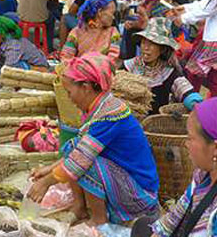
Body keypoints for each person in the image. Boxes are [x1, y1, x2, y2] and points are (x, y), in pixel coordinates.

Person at [27, 53, 160, 226]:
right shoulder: (98, 108)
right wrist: (49, 169)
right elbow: (78, 149)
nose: (69, 97)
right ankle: (79, 207)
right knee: (72, 147)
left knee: (84, 161)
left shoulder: (110, 115)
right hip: (124, 180)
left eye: (69, 92)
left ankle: (99, 219)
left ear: (86, 87)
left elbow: (80, 159)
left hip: (140, 195)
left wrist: (46, 183)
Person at [112, 97, 217, 237]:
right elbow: (171, 221)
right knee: (143, 227)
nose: (186, 144)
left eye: (190, 138)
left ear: (215, 147)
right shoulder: (204, 175)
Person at [124, 17, 202, 114]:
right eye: (144, 42)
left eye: (152, 44)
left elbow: (183, 89)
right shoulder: (129, 66)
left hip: (154, 124)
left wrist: (194, 103)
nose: (146, 48)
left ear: (162, 49)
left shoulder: (168, 72)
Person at [0, 15, 49, 94]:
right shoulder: (1, 42)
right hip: (22, 66)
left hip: (38, 71)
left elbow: (7, 71)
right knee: (0, 71)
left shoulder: (13, 45)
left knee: (11, 69)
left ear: (1, 35)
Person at [171, 0, 217, 97]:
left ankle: (190, 102)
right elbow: (206, 3)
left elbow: (209, 8)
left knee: (194, 74)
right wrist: (186, 8)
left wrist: (184, 18)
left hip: (216, 41)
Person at [60, 0, 121, 64]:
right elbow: (66, 57)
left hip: (102, 72)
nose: (113, 17)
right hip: (80, 71)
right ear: (100, 12)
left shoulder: (113, 33)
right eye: (112, 13)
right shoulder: (76, 32)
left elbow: (112, 59)